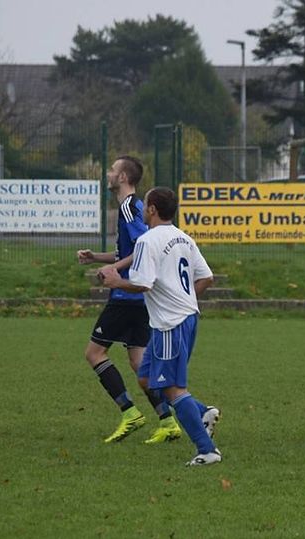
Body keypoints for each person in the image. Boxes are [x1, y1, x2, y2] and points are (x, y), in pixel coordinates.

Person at [100, 187, 221, 466]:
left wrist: (116, 282)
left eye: (146, 205)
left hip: (170, 324)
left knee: (173, 388)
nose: (143, 209)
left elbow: (143, 283)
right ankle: (202, 412)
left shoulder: (147, 240)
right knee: (147, 378)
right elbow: (207, 277)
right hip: (186, 318)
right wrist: (186, 299)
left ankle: (207, 450)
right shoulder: (184, 238)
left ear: (152, 209)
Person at [77, 156, 183, 444]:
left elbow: (142, 248)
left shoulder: (127, 207)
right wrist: (97, 258)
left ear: (123, 177)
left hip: (126, 295)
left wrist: (115, 270)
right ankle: (168, 420)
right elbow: (130, 251)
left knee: (94, 354)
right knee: (139, 364)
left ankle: (129, 412)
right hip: (139, 296)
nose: (108, 173)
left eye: (112, 170)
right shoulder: (134, 207)